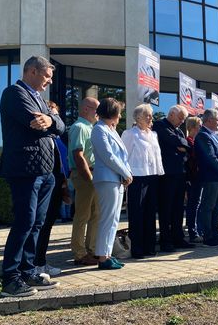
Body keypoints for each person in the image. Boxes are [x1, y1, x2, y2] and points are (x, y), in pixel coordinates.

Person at [0, 56, 64, 297]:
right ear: (33, 71)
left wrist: (50, 120)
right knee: (24, 222)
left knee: (37, 223)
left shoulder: (40, 99)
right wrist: (49, 121)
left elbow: (60, 125)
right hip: (25, 170)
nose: (49, 81)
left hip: (46, 172)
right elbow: (33, 122)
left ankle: (28, 271)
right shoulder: (14, 93)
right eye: (47, 76)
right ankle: (10, 278)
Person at [91, 98, 133, 270]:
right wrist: (125, 172)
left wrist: (126, 173)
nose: (120, 115)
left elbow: (122, 155)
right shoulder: (99, 129)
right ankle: (102, 257)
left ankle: (107, 254)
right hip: (107, 178)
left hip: (116, 178)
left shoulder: (111, 130)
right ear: (112, 113)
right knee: (107, 218)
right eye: (119, 112)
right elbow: (108, 156)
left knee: (114, 219)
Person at [121, 104, 164, 259]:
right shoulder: (129, 134)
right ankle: (137, 248)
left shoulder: (153, 134)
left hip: (152, 176)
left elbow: (157, 156)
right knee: (137, 213)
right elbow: (123, 155)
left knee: (150, 213)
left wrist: (160, 172)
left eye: (151, 115)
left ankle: (150, 247)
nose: (150, 118)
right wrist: (125, 174)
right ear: (138, 117)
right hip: (137, 176)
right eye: (147, 115)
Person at [33, 101, 71, 277]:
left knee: (48, 224)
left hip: (56, 183)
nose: (55, 117)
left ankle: (41, 261)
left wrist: (64, 186)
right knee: (38, 224)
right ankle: (33, 264)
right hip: (41, 182)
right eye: (52, 113)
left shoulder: (58, 137)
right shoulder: (42, 135)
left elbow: (62, 162)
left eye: (56, 113)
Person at [153, 105, 193, 251]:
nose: (182, 122)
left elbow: (187, 146)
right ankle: (165, 240)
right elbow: (173, 141)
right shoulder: (160, 125)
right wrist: (181, 146)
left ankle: (178, 238)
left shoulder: (179, 131)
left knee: (178, 208)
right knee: (166, 209)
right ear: (171, 115)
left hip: (180, 174)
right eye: (180, 118)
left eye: (183, 119)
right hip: (167, 175)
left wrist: (182, 147)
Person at [69, 97, 101, 266]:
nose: (99, 114)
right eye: (97, 109)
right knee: (83, 215)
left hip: (92, 174)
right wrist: (88, 177)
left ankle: (92, 250)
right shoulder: (80, 127)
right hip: (85, 175)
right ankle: (79, 253)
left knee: (96, 214)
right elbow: (78, 155)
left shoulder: (90, 128)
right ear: (86, 109)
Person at [195, 109, 218, 246]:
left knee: (217, 207)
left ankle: (216, 233)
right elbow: (210, 157)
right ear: (209, 120)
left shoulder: (215, 135)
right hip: (212, 177)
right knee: (208, 206)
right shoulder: (203, 135)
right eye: (217, 120)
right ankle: (208, 236)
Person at [184, 116, 203, 242]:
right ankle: (193, 232)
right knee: (192, 205)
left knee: (197, 204)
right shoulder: (188, 141)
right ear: (193, 127)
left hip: (198, 177)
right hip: (192, 178)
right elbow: (188, 161)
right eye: (199, 126)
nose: (200, 129)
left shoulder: (196, 141)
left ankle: (197, 230)